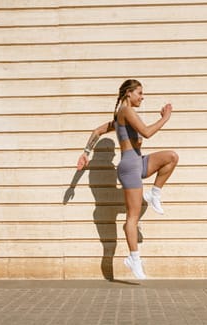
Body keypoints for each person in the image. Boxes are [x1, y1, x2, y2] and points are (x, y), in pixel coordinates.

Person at [77, 79, 179, 279]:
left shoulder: (121, 115)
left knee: (171, 157)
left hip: (138, 161)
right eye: (139, 93)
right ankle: (134, 258)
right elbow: (147, 133)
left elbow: (97, 131)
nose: (142, 97)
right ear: (128, 94)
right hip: (129, 168)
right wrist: (165, 118)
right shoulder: (126, 111)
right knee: (132, 218)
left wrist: (86, 152)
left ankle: (154, 193)